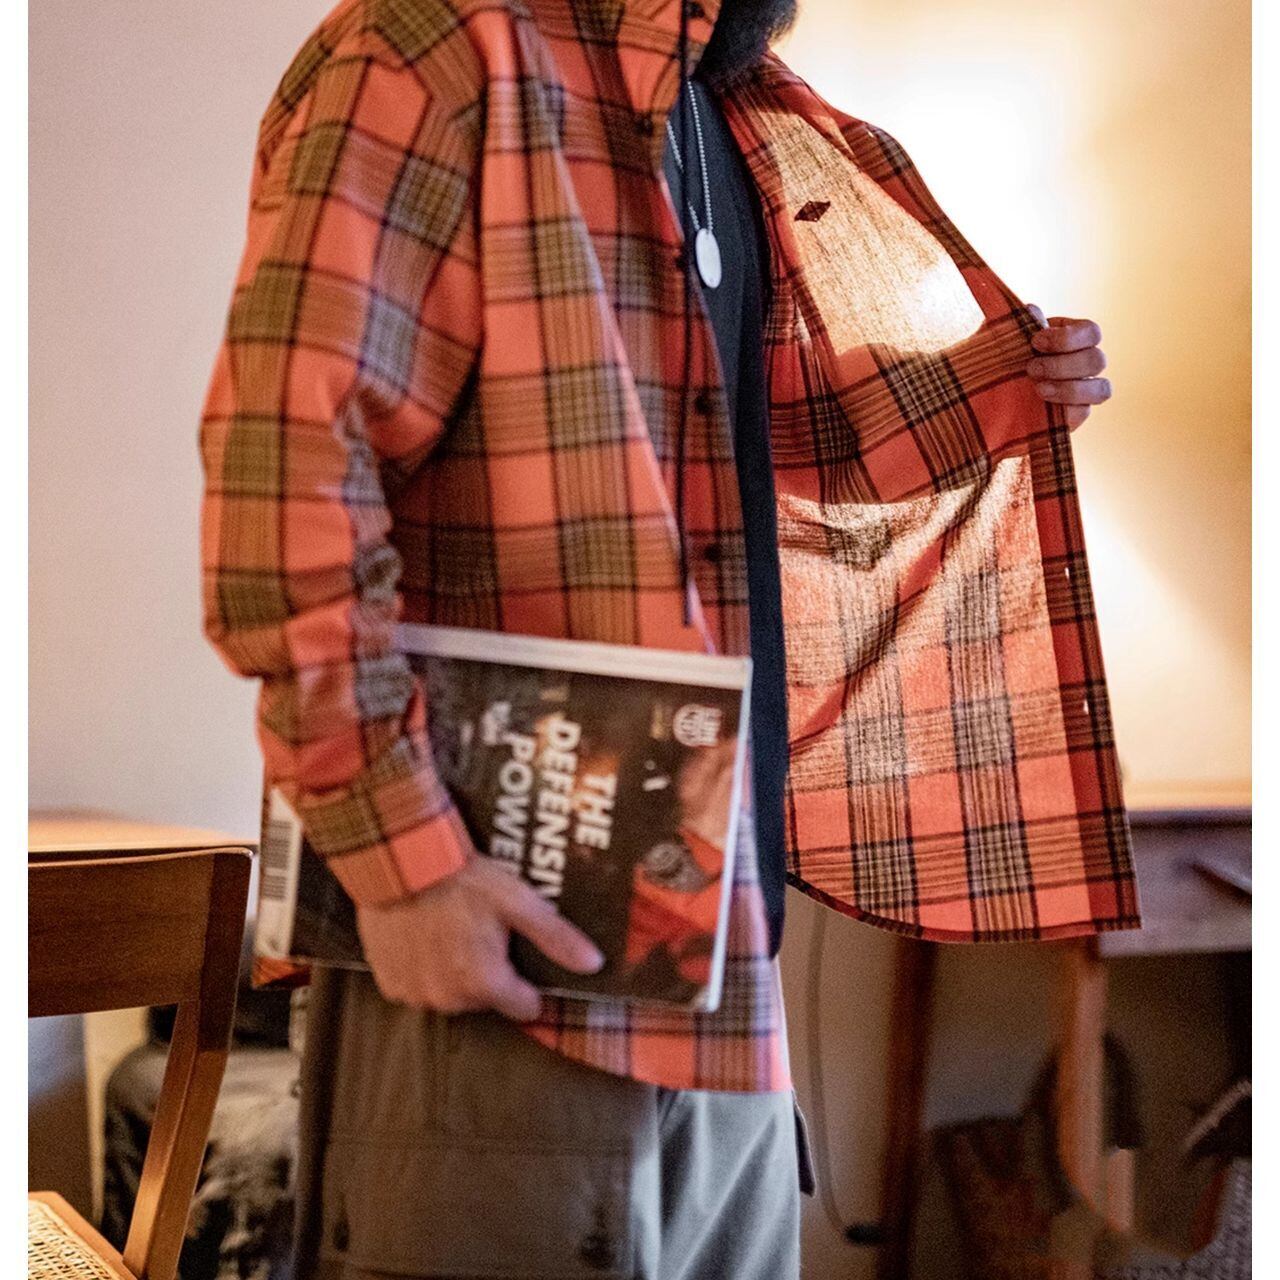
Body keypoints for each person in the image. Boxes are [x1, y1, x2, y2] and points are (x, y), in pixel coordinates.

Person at [199, 0, 1138, 1275]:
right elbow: (285, 475)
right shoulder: (432, 48)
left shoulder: (712, 99)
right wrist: (402, 863)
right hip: (501, 968)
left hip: (713, 951)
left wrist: (985, 390)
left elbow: (714, 448)